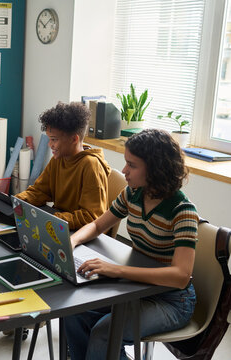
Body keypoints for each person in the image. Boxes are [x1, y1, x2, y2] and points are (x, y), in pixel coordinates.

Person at [64, 129, 198, 360]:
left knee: (103, 334)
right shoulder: (133, 194)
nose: (124, 170)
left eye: (132, 165)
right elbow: (97, 226)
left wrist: (116, 270)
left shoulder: (182, 211)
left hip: (172, 300)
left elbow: (181, 276)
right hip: (136, 289)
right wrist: (72, 241)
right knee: (73, 314)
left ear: (156, 168)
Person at [16, 102, 111, 230]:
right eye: (49, 139)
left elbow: (91, 218)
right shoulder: (58, 159)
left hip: (80, 236)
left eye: (54, 139)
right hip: (59, 227)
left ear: (74, 139)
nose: (50, 145)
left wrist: (52, 218)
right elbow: (39, 191)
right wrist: (16, 202)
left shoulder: (91, 166)